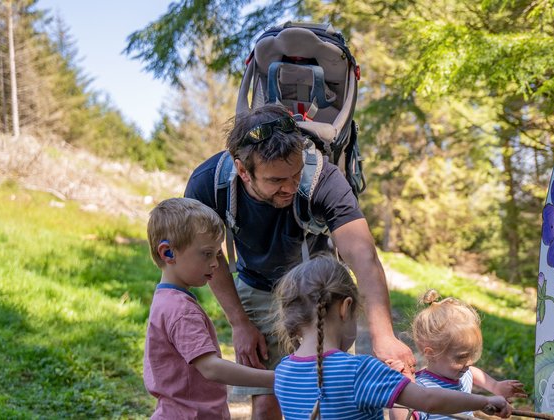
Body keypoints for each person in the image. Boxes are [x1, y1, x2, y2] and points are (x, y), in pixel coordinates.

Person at [184, 103, 414, 419]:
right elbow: (208, 255)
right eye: (277, 180)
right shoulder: (208, 184)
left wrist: (383, 335)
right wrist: (239, 322)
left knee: (327, 398)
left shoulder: (322, 177)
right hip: (256, 285)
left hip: (317, 292)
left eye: (295, 175)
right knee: (266, 401)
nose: (290, 187)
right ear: (242, 170)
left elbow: (362, 254)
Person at [272, 256, 513, 419]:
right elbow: (427, 399)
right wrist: (482, 402)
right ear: (345, 308)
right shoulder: (361, 370)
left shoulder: (283, 372)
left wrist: (393, 380)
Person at [143, 197, 275, 419]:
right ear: (168, 253)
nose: (215, 263)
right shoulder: (180, 310)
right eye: (207, 253)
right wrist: (275, 379)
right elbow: (211, 368)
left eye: (217, 254)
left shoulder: (166, 299)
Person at [406, 289, 528, 420]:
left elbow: (473, 373)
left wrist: (494, 386)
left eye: (471, 354)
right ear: (431, 354)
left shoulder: (462, 375)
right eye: (461, 357)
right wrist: (404, 388)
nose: (469, 363)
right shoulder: (421, 389)